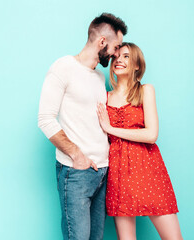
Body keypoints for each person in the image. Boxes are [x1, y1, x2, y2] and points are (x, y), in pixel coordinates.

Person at [38, 13, 127, 240]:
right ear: (102, 42)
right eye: (116, 47)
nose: (117, 54)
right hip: (76, 173)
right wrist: (76, 155)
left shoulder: (98, 77)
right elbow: (45, 119)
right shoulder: (63, 67)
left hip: (103, 172)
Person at [97, 42, 183, 240]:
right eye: (116, 57)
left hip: (148, 170)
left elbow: (151, 135)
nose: (119, 60)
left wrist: (110, 128)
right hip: (118, 174)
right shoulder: (104, 96)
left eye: (126, 56)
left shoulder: (145, 90)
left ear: (137, 65)